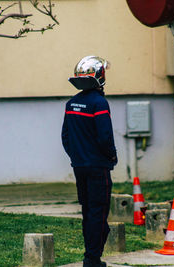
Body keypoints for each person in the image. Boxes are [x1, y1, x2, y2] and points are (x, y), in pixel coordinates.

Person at [61, 55, 118, 267]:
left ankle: (91, 255)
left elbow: (65, 137)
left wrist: (77, 156)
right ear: (100, 76)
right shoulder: (100, 103)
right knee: (99, 212)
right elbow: (105, 137)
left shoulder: (71, 103)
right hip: (98, 168)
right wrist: (111, 155)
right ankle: (92, 259)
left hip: (79, 167)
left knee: (88, 211)